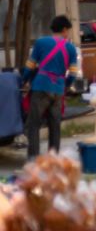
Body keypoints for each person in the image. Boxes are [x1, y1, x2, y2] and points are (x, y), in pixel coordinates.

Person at [22, 15, 79, 159]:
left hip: (41, 87)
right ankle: (52, 163)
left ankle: (33, 161)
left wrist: (24, 80)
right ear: (64, 29)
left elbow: (30, 66)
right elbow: (73, 74)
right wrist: (64, 86)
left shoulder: (41, 43)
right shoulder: (71, 48)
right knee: (55, 127)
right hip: (58, 90)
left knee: (34, 125)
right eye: (68, 31)